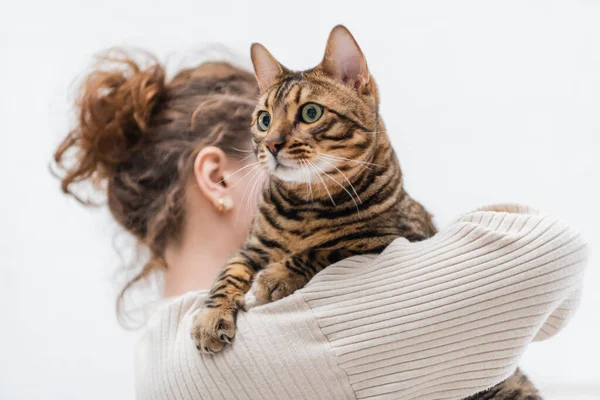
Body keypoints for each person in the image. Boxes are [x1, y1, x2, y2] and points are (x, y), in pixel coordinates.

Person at [53, 50, 587, 400]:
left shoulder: (158, 355)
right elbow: (551, 250)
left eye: (304, 118)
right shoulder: (287, 333)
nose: (281, 147)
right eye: (265, 129)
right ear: (219, 179)